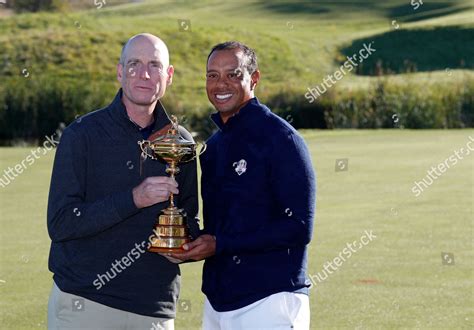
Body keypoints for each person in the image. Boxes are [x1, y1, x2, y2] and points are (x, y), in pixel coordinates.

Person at [47, 33, 199, 329]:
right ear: (120, 72)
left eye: (155, 65)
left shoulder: (180, 142)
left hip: (153, 307)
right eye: (134, 64)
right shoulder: (82, 134)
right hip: (85, 302)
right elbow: (61, 222)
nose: (144, 74)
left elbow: (189, 220)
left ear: (169, 75)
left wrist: (184, 248)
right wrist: (134, 199)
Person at [172, 41, 316, 329]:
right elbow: (221, 228)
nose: (220, 84)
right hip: (218, 302)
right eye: (212, 75)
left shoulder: (281, 139)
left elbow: (299, 227)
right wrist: (190, 243)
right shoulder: (213, 147)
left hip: (270, 300)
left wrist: (220, 244)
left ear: (254, 78)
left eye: (232, 74)